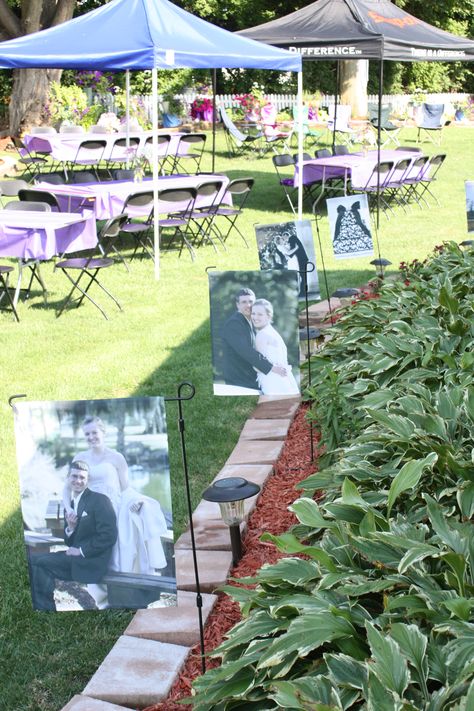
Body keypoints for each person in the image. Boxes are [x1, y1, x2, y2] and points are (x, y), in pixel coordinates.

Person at [63, 416, 168, 577]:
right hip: (89, 510)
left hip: (113, 508)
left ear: (103, 432)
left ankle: (122, 582)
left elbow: (126, 489)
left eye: (94, 432)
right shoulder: (80, 458)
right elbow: (67, 487)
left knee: (126, 529)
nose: (91, 437)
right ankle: (96, 584)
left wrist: (138, 501)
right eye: (87, 434)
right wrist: (69, 508)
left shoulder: (116, 457)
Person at [30, 461, 117, 611]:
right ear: (68, 478)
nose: (78, 481)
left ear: (87, 480)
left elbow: (109, 536)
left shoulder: (100, 500)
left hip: (92, 561)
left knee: (38, 563)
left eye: (82, 477)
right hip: (76, 558)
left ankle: (45, 610)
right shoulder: (72, 502)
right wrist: (70, 528)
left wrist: (81, 551)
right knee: (34, 560)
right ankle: (45, 609)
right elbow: (69, 541)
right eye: (74, 476)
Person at [220, 287, 288, 392]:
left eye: (251, 301)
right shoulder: (234, 324)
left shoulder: (250, 322)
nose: (248, 305)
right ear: (237, 304)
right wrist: (271, 367)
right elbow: (246, 351)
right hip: (238, 379)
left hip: (248, 377)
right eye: (244, 302)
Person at [251, 299, 299, 395]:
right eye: (253, 313)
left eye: (260, 314)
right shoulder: (273, 333)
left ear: (269, 316)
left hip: (273, 383)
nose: (255, 317)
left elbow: (258, 366)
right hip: (282, 381)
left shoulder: (262, 335)